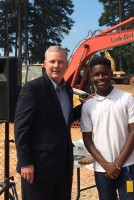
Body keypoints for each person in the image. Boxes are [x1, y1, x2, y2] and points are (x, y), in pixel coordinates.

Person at [14, 46, 82, 200]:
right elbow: (21, 128)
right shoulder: (32, 89)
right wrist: (25, 162)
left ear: (67, 64)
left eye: (60, 62)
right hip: (38, 168)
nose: (56, 66)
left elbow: (63, 118)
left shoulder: (67, 90)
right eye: (52, 61)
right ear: (45, 64)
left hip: (62, 167)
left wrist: (88, 105)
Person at [81, 57, 134, 200]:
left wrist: (118, 164)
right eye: (96, 74)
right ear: (91, 77)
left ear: (112, 74)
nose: (101, 77)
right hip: (102, 170)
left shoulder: (127, 99)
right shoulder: (88, 105)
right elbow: (87, 138)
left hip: (127, 167)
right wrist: (106, 165)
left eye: (105, 73)